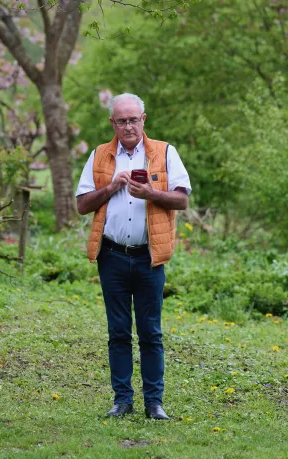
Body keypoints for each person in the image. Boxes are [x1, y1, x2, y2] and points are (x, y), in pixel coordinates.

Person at [75, 93, 191, 420]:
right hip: (111, 255)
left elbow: (182, 200)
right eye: (121, 120)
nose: (128, 126)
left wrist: (150, 193)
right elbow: (82, 205)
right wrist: (111, 188)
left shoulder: (165, 153)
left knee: (151, 332)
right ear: (113, 123)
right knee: (119, 331)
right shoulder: (100, 156)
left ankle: (154, 403)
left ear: (144, 120)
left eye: (133, 119)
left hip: (148, 257)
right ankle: (122, 400)